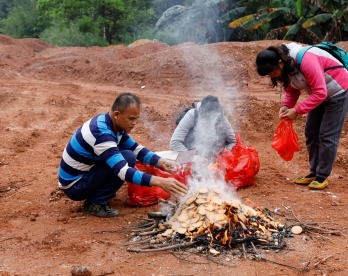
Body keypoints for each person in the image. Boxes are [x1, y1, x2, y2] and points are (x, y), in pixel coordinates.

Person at [58, 93, 188, 217]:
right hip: (75, 186)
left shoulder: (110, 124)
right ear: (117, 114)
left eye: (136, 119)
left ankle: (99, 192)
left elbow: (136, 149)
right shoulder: (102, 134)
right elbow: (123, 172)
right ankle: (95, 204)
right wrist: (160, 182)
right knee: (127, 158)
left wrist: (161, 162)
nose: (134, 123)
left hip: (82, 175)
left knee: (128, 154)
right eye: (131, 119)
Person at [255, 43, 348, 190]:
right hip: (320, 94)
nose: (271, 76)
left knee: (327, 134)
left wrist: (297, 111)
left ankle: (322, 176)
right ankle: (314, 172)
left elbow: (321, 92)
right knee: (311, 131)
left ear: (280, 63)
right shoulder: (286, 69)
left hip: (338, 90)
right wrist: (286, 106)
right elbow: (292, 91)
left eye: (271, 73)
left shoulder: (307, 60)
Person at [170, 95, 237, 160]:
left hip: (215, 159)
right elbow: (175, 142)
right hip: (191, 157)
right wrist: (194, 158)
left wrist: (224, 155)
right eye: (206, 119)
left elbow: (233, 141)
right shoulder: (192, 115)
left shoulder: (221, 118)